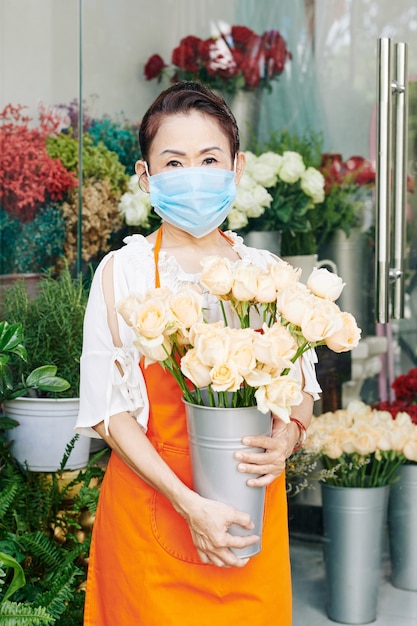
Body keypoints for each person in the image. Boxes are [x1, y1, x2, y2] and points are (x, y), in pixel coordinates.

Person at [76, 81, 321, 626]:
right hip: (153, 513)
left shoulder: (266, 275)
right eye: (173, 161)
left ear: (235, 169)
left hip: (249, 514)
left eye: (209, 158)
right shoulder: (123, 274)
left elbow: (302, 390)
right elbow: (107, 413)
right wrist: (188, 503)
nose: (192, 173)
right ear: (145, 176)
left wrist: (285, 439)